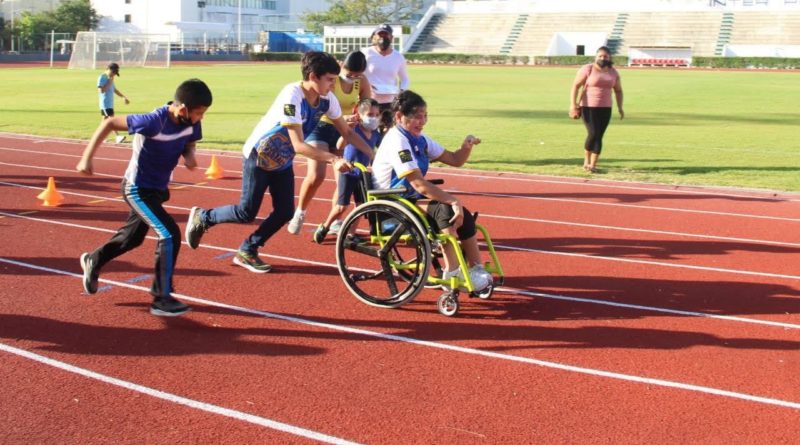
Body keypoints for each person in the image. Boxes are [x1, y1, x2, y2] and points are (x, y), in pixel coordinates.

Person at [184, 51, 374, 273]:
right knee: (246, 212)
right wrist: (333, 159)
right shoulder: (292, 96)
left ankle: (248, 249)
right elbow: (298, 145)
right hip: (259, 155)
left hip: (282, 159)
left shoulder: (327, 99)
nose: (334, 85)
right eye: (330, 80)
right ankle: (203, 217)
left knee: (284, 211)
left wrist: (373, 153)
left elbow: (346, 132)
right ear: (313, 77)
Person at [77, 79, 212, 317]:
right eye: (199, 113)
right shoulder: (153, 121)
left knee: (132, 238)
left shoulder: (191, 123)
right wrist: (87, 158)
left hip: (157, 190)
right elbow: (109, 123)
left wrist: (189, 155)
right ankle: (161, 297)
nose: (200, 118)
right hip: (136, 188)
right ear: (182, 109)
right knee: (169, 233)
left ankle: (94, 260)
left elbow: (190, 142)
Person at [371, 90, 490, 291]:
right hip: (391, 205)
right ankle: (452, 272)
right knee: (445, 210)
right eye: (417, 117)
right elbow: (417, 183)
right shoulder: (397, 141)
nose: (423, 121)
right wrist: (452, 201)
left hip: (409, 200)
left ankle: (476, 269)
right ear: (399, 117)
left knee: (465, 216)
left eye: (425, 116)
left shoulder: (419, 138)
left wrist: (466, 145)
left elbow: (454, 159)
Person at [287, 50, 373, 236]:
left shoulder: (362, 82)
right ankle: (300, 212)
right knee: (317, 175)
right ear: (342, 66)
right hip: (320, 126)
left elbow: (367, 105)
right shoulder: (331, 79)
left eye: (357, 75)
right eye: (350, 74)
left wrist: (365, 117)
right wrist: (345, 117)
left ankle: (336, 221)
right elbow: (321, 104)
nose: (353, 78)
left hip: (342, 130)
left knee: (344, 178)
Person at [312, 98, 380, 244]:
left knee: (362, 206)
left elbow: (378, 152)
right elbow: (339, 145)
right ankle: (325, 226)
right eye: (370, 114)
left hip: (362, 174)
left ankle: (351, 234)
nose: (373, 118)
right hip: (348, 172)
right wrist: (345, 133)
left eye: (376, 114)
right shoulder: (353, 130)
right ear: (359, 115)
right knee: (341, 207)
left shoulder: (376, 134)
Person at [569, 46, 624, 173]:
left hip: (606, 107)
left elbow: (618, 90)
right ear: (596, 57)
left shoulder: (613, 72)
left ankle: (593, 165)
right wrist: (573, 105)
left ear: (609, 57)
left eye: (605, 56)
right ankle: (586, 160)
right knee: (593, 133)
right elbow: (575, 86)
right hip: (588, 106)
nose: (602, 58)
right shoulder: (587, 69)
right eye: (600, 56)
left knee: (599, 135)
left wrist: (620, 107)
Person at [363, 24, 410, 132]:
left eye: (386, 35)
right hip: (370, 100)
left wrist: (401, 92)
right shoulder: (366, 53)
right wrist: (367, 86)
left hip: (390, 101)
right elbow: (358, 74)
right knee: (369, 131)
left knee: (388, 133)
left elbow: (405, 79)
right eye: (380, 35)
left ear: (391, 38)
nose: (383, 38)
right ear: (374, 37)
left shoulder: (398, 57)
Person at [97, 62, 130, 144]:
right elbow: (101, 90)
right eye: (114, 72)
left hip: (110, 104)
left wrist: (123, 97)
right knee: (111, 120)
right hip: (105, 104)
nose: (114, 75)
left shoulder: (110, 78)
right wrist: (109, 81)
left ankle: (100, 137)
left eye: (115, 73)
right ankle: (117, 136)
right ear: (109, 69)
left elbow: (115, 90)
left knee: (105, 121)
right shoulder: (102, 77)